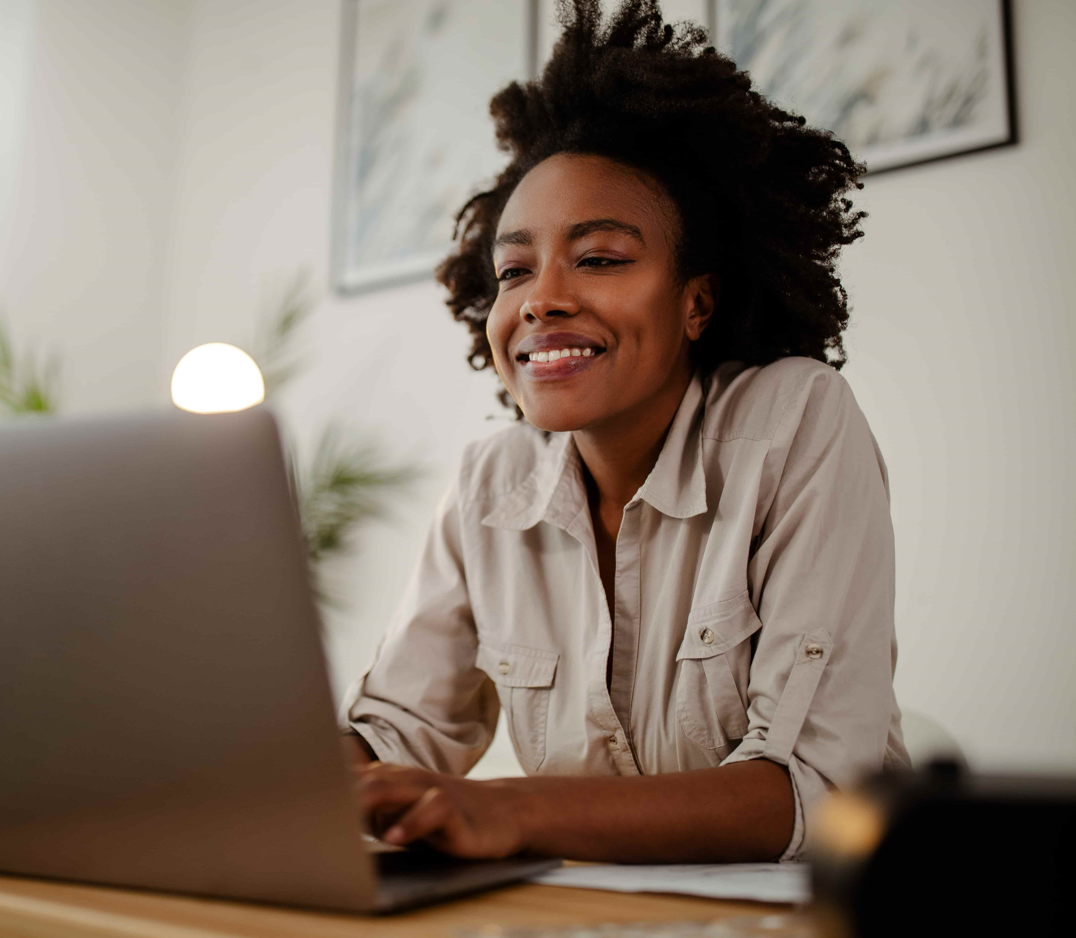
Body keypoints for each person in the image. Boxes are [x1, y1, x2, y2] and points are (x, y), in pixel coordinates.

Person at [340, 0, 909, 863]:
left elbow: (813, 790)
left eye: (600, 258)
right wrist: (270, 780)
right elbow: (402, 730)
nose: (541, 299)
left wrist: (515, 810)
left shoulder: (795, 420)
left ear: (697, 300)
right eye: (514, 270)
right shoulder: (492, 482)